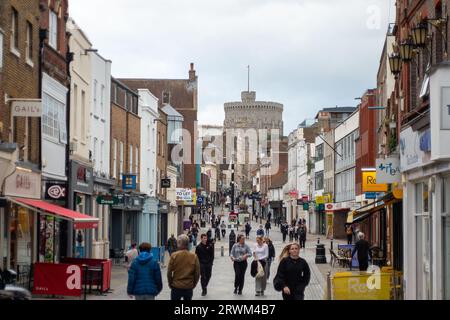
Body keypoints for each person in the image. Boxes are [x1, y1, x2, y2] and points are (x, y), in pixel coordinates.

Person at [167, 234, 200, 300]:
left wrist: (170, 283)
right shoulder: (194, 256)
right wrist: (194, 284)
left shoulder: (174, 255)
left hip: (176, 286)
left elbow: (169, 272)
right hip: (188, 286)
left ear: (179, 243)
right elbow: (197, 273)